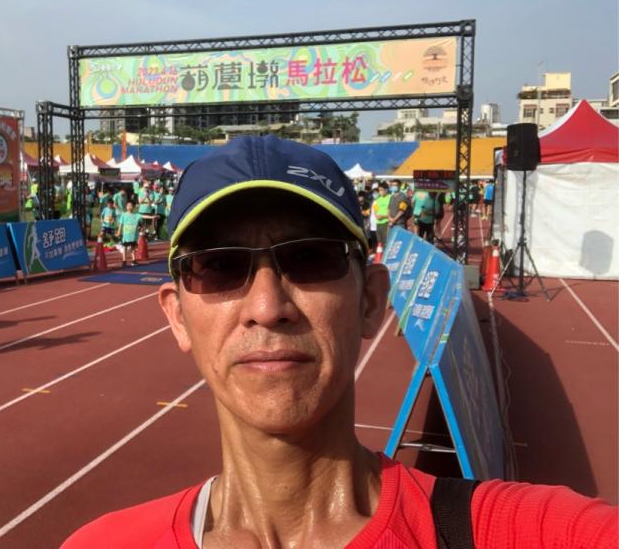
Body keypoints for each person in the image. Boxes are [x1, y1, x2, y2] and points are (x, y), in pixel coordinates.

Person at [62, 135, 617, 548]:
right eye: (220, 266)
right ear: (178, 317)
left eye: (310, 258)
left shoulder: (523, 531)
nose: (267, 308)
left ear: (371, 300)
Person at [116, 200, 144, 267]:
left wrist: (153, 217)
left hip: (133, 235)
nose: (129, 207)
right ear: (126, 207)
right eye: (128, 205)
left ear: (133, 207)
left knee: (133, 248)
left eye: (131, 205)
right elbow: (121, 224)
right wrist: (119, 231)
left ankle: (134, 260)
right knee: (124, 247)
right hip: (126, 235)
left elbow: (143, 218)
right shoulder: (123, 215)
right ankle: (124, 261)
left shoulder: (136, 215)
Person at [372, 182, 390, 248]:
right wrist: (376, 215)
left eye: (381, 190)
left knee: (386, 241)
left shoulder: (390, 198)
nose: (380, 192)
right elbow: (375, 209)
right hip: (378, 223)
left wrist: (383, 216)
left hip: (386, 222)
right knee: (379, 241)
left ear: (386, 190)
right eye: (379, 190)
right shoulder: (378, 199)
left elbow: (391, 211)